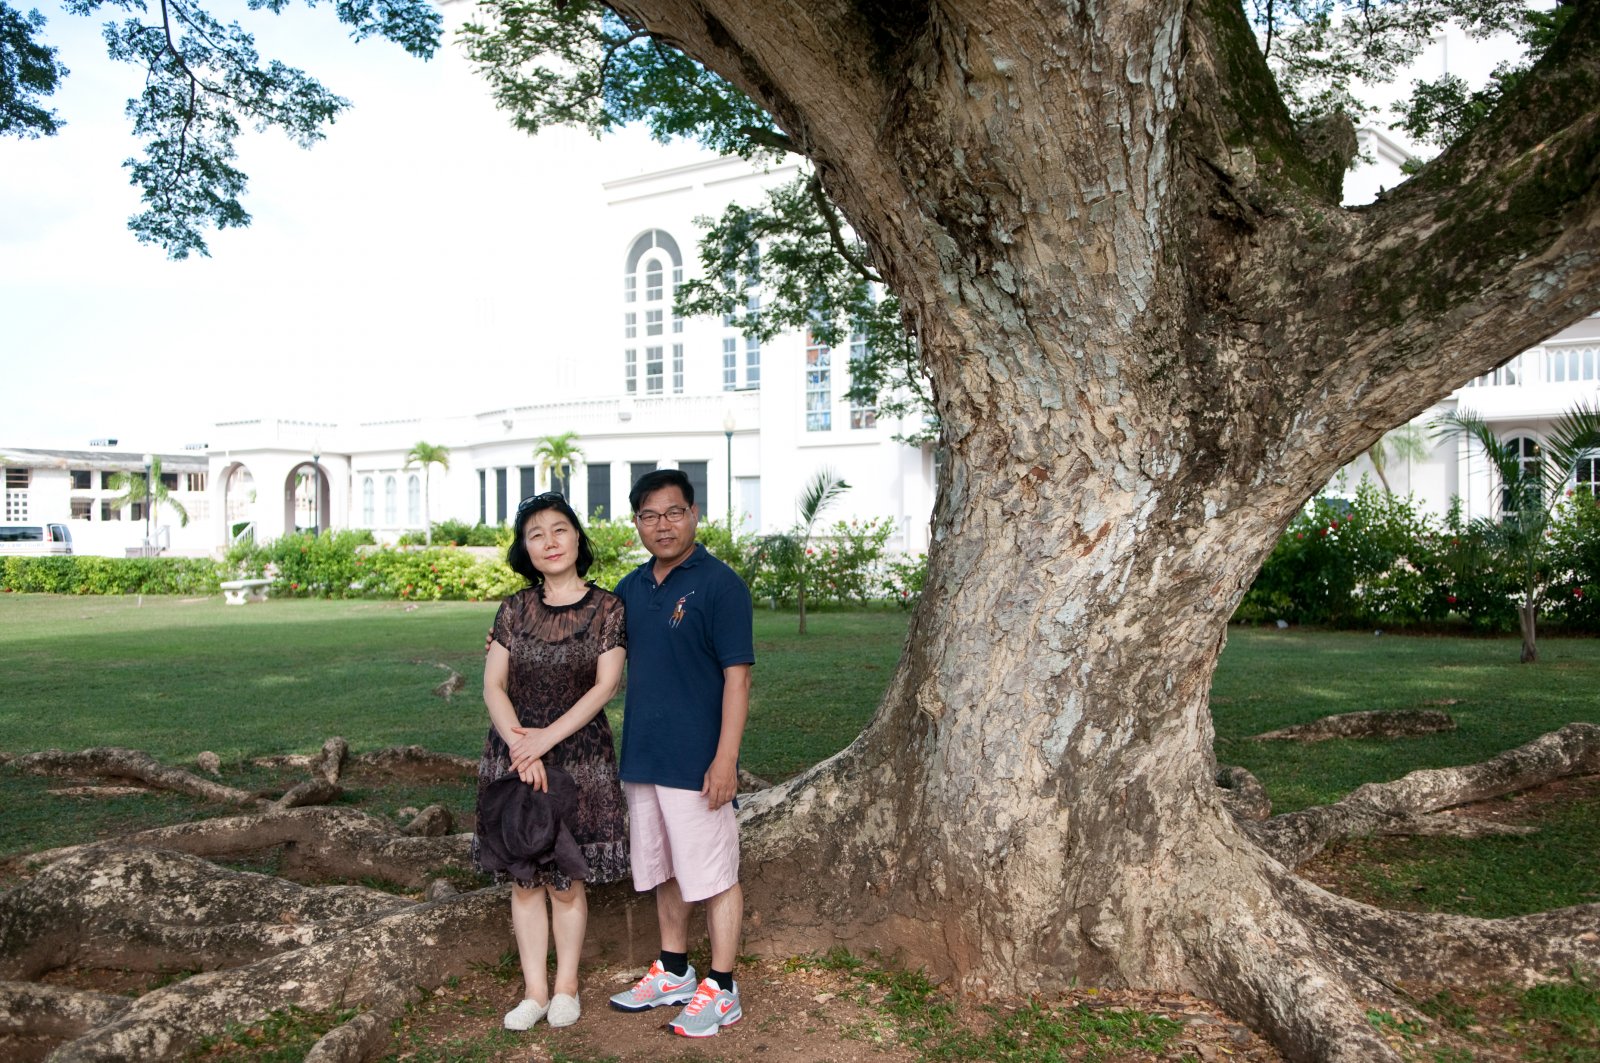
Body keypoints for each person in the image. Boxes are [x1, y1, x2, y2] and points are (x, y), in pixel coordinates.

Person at [607, 468, 755, 1038]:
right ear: (637, 523)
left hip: (698, 762)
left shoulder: (720, 585)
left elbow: (738, 679)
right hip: (644, 757)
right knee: (665, 867)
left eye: (673, 512)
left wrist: (725, 760)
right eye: (649, 516)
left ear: (694, 514)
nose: (662, 525)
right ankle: (673, 971)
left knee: (714, 874)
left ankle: (723, 987)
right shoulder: (631, 588)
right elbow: (592, 651)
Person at [475, 492, 629, 1032]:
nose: (549, 541)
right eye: (535, 534)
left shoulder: (609, 608)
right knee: (524, 880)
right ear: (526, 549)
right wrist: (522, 747)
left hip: (577, 759)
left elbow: (605, 687)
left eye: (559, 529)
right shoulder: (513, 609)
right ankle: (534, 992)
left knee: (565, 879)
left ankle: (566, 987)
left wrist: (544, 742)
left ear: (577, 538)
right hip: (515, 755)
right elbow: (493, 685)